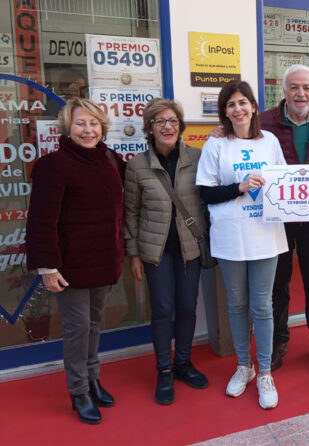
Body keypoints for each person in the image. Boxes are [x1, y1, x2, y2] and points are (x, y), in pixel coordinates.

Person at [26, 97, 125, 425]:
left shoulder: (109, 159)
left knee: (95, 324)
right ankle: (78, 390)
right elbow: (41, 220)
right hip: (68, 266)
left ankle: (93, 378)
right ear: (67, 127)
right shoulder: (54, 165)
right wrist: (47, 267)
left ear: (102, 127)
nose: (88, 130)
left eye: (94, 123)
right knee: (77, 329)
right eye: (81, 123)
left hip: (102, 260)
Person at [196, 80, 287, 409]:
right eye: (230, 104)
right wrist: (240, 186)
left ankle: (265, 372)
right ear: (225, 111)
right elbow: (206, 192)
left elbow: (284, 184)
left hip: (265, 236)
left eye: (242, 102)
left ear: (253, 107)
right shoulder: (216, 145)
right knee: (236, 305)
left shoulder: (271, 141)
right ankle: (243, 367)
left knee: (262, 307)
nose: (237, 109)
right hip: (231, 237)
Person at [124, 98, 208, 406]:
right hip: (155, 251)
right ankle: (164, 370)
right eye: (160, 121)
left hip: (189, 248)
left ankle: (183, 363)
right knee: (161, 311)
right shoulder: (136, 164)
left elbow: (210, 198)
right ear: (149, 128)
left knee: (187, 308)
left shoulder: (198, 158)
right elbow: (130, 213)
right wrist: (133, 253)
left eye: (172, 120)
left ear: (181, 126)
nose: (167, 126)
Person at [259, 64, 309, 373]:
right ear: (284, 91)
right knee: (278, 282)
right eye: (294, 87)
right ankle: (278, 341)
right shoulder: (263, 121)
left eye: (306, 87)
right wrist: (219, 131)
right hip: (278, 218)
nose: (300, 93)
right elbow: (236, 135)